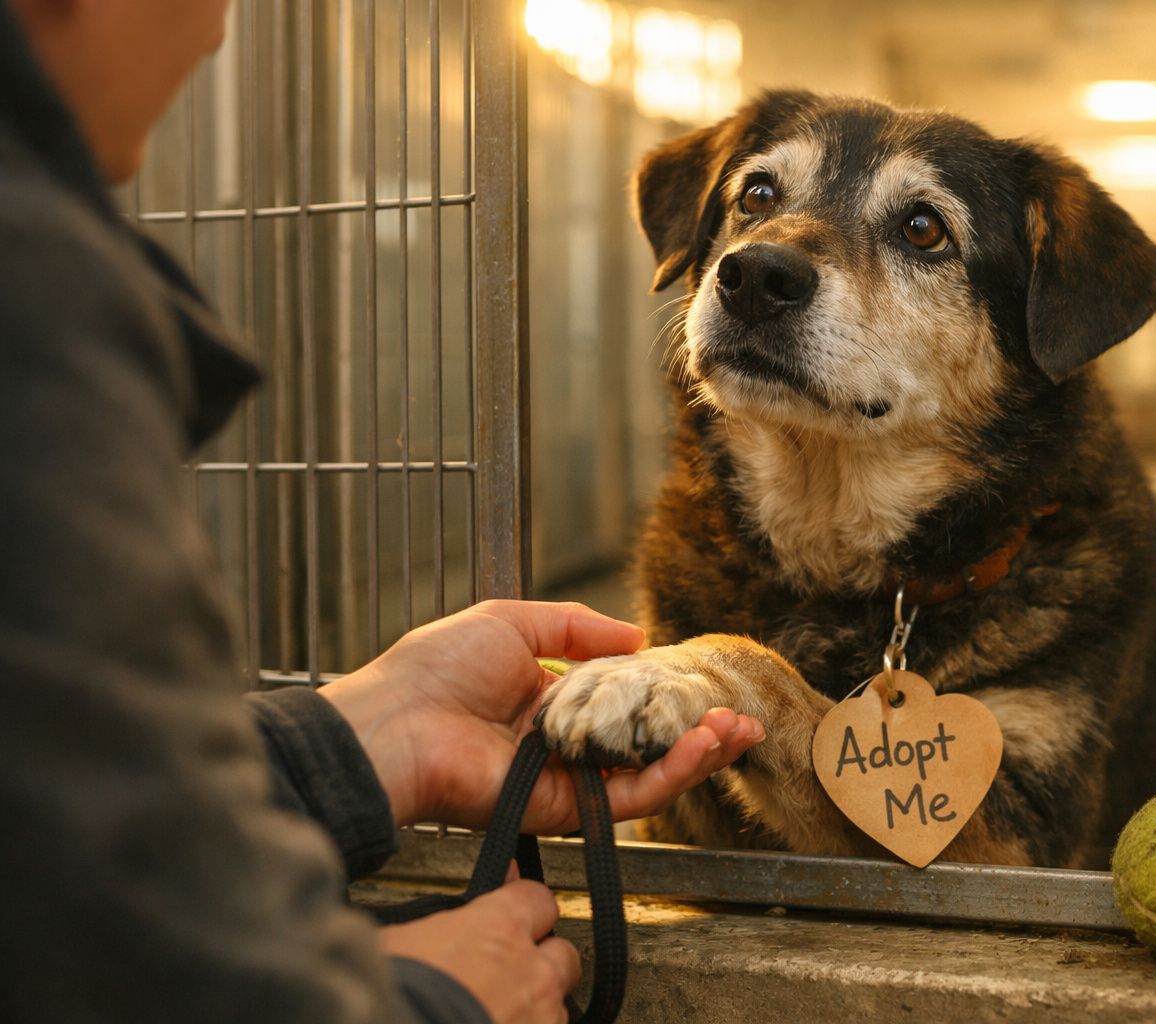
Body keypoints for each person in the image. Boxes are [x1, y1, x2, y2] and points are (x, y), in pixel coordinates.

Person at [0, 1, 765, 1022]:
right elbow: (127, 953)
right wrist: (429, 1000)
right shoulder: (31, 299)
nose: (220, 31)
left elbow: (40, 823)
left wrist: (368, 734)